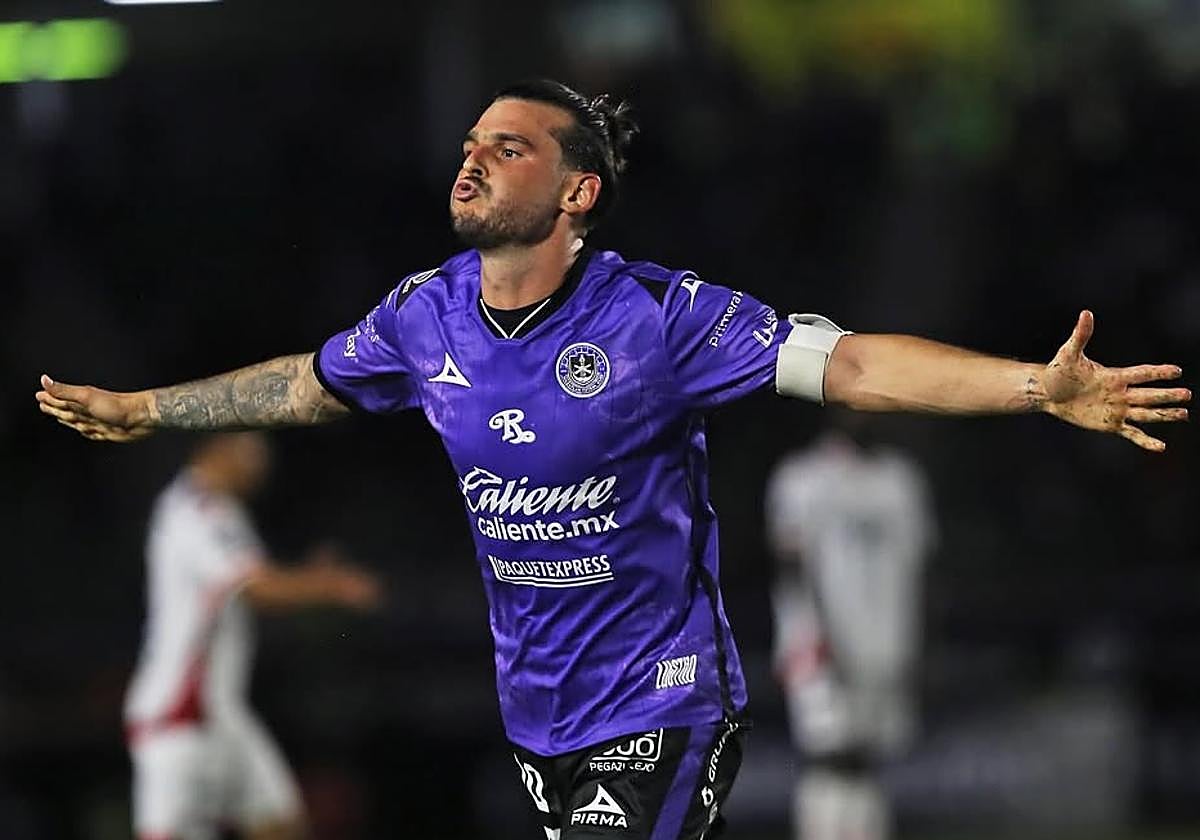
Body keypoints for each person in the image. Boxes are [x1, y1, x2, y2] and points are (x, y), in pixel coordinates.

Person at [35, 79, 1187, 840]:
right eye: (472, 143)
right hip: (539, 710)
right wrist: (147, 410)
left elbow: (853, 364)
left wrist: (1034, 385)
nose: (473, 160)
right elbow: (305, 384)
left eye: (509, 147)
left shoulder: (659, 318)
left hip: (665, 701)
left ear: (576, 192)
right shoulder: (423, 317)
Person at [123, 432, 381, 840]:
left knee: (281, 826)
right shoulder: (195, 508)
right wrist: (330, 584)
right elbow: (257, 589)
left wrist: (310, 576)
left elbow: (258, 581)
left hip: (223, 709)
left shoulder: (224, 510)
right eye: (250, 451)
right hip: (179, 712)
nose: (261, 465)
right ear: (213, 446)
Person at [767, 414, 934, 840]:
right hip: (821, 646)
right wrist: (816, 635)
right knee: (829, 757)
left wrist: (914, 644)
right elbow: (791, 567)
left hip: (886, 646)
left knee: (868, 760)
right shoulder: (801, 478)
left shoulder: (900, 480)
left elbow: (919, 568)